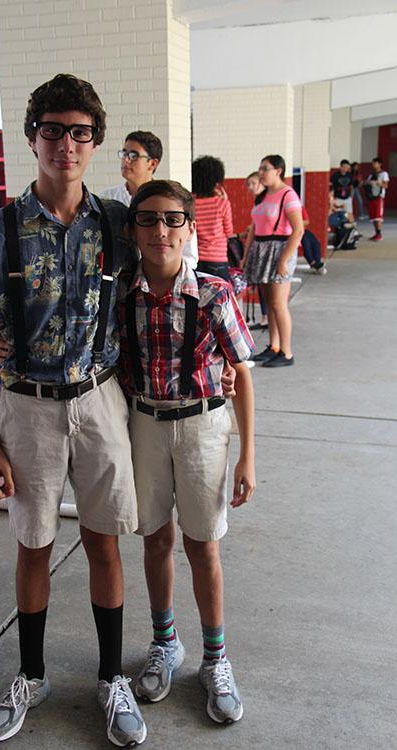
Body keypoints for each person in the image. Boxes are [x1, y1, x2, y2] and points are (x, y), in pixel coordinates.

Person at [0, 73, 148, 747]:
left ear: (94, 142)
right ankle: (31, 674)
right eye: (52, 131)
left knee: (103, 540)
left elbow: (167, 278)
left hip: (99, 400)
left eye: (79, 133)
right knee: (33, 542)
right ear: (32, 136)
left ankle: (110, 677)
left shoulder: (119, 225)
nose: (65, 144)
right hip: (27, 406)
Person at [119, 179, 255, 725]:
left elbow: (241, 372)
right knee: (156, 539)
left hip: (203, 429)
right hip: (144, 425)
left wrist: (247, 456)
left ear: (190, 227)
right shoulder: (119, 294)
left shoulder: (214, 294)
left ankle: (216, 659)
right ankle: (164, 642)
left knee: (204, 546)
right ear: (134, 231)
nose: (160, 231)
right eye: (148, 220)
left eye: (173, 219)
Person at [100, 130, 198, 269]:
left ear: (152, 164)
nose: (126, 160)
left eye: (134, 155)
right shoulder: (106, 199)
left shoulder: (172, 201)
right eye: (124, 153)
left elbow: (189, 257)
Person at [241, 154, 304, 368]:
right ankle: (274, 346)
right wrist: (246, 255)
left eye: (264, 169)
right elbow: (254, 229)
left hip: (279, 250)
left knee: (279, 303)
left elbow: (298, 230)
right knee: (269, 304)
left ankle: (286, 352)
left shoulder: (288, 195)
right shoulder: (264, 195)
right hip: (262, 250)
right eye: (259, 168)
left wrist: (284, 260)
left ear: (278, 171)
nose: (261, 173)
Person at [192, 155, 234, 281]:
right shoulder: (222, 204)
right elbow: (229, 232)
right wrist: (224, 200)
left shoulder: (189, 203)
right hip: (218, 261)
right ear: (217, 182)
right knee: (222, 298)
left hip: (196, 260)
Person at [244, 172, 268, 330]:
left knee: (268, 288)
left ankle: (268, 318)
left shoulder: (269, 199)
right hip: (258, 247)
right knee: (261, 285)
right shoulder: (259, 201)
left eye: (253, 183)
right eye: (248, 184)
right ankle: (265, 317)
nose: (250, 187)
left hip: (268, 248)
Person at [364, 157, 390, 241]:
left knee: (378, 216)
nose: (373, 165)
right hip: (371, 196)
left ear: (379, 164)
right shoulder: (371, 174)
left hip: (379, 197)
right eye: (373, 163)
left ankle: (379, 234)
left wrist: (378, 183)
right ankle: (376, 233)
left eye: (375, 163)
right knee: (373, 217)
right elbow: (367, 183)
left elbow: (386, 186)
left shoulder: (384, 174)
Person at [301, 206, 326, 275]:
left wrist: (297, 222)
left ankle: (317, 264)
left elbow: (307, 221)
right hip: (292, 231)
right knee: (306, 244)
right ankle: (312, 262)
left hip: (302, 230)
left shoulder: (300, 208)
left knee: (316, 243)